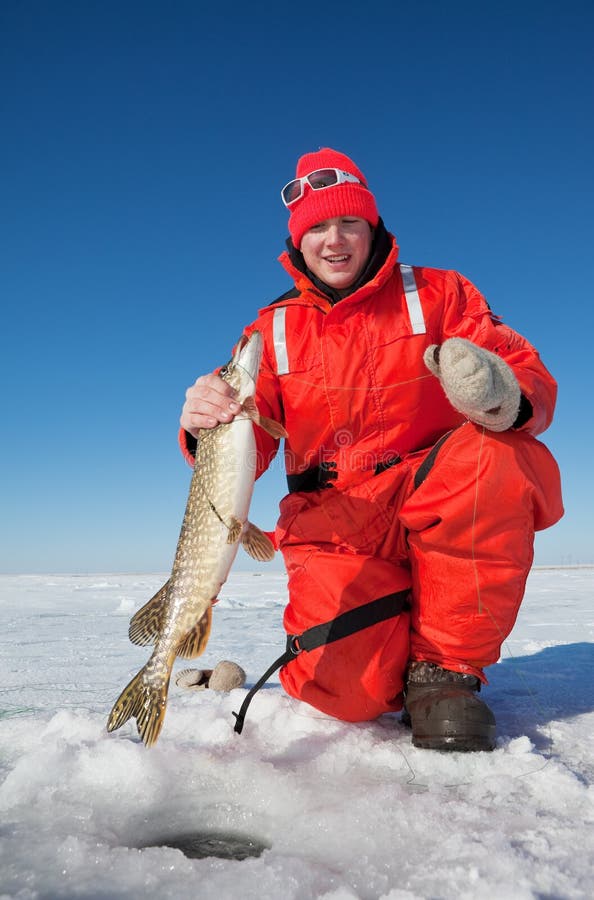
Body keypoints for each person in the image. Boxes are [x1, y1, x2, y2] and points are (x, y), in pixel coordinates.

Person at [179, 148, 563, 752]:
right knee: (343, 694)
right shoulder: (270, 331)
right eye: (317, 229)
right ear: (297, 242)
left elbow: (524, 373)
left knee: (501, 455)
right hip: (335, 525)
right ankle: (393, 637)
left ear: (372, 226)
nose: (334, 241)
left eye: (348, 224)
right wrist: (207, 426)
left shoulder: (441, 294)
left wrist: (500, 392)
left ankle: (443, 673)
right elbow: (247, 450)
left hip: (436, 496)